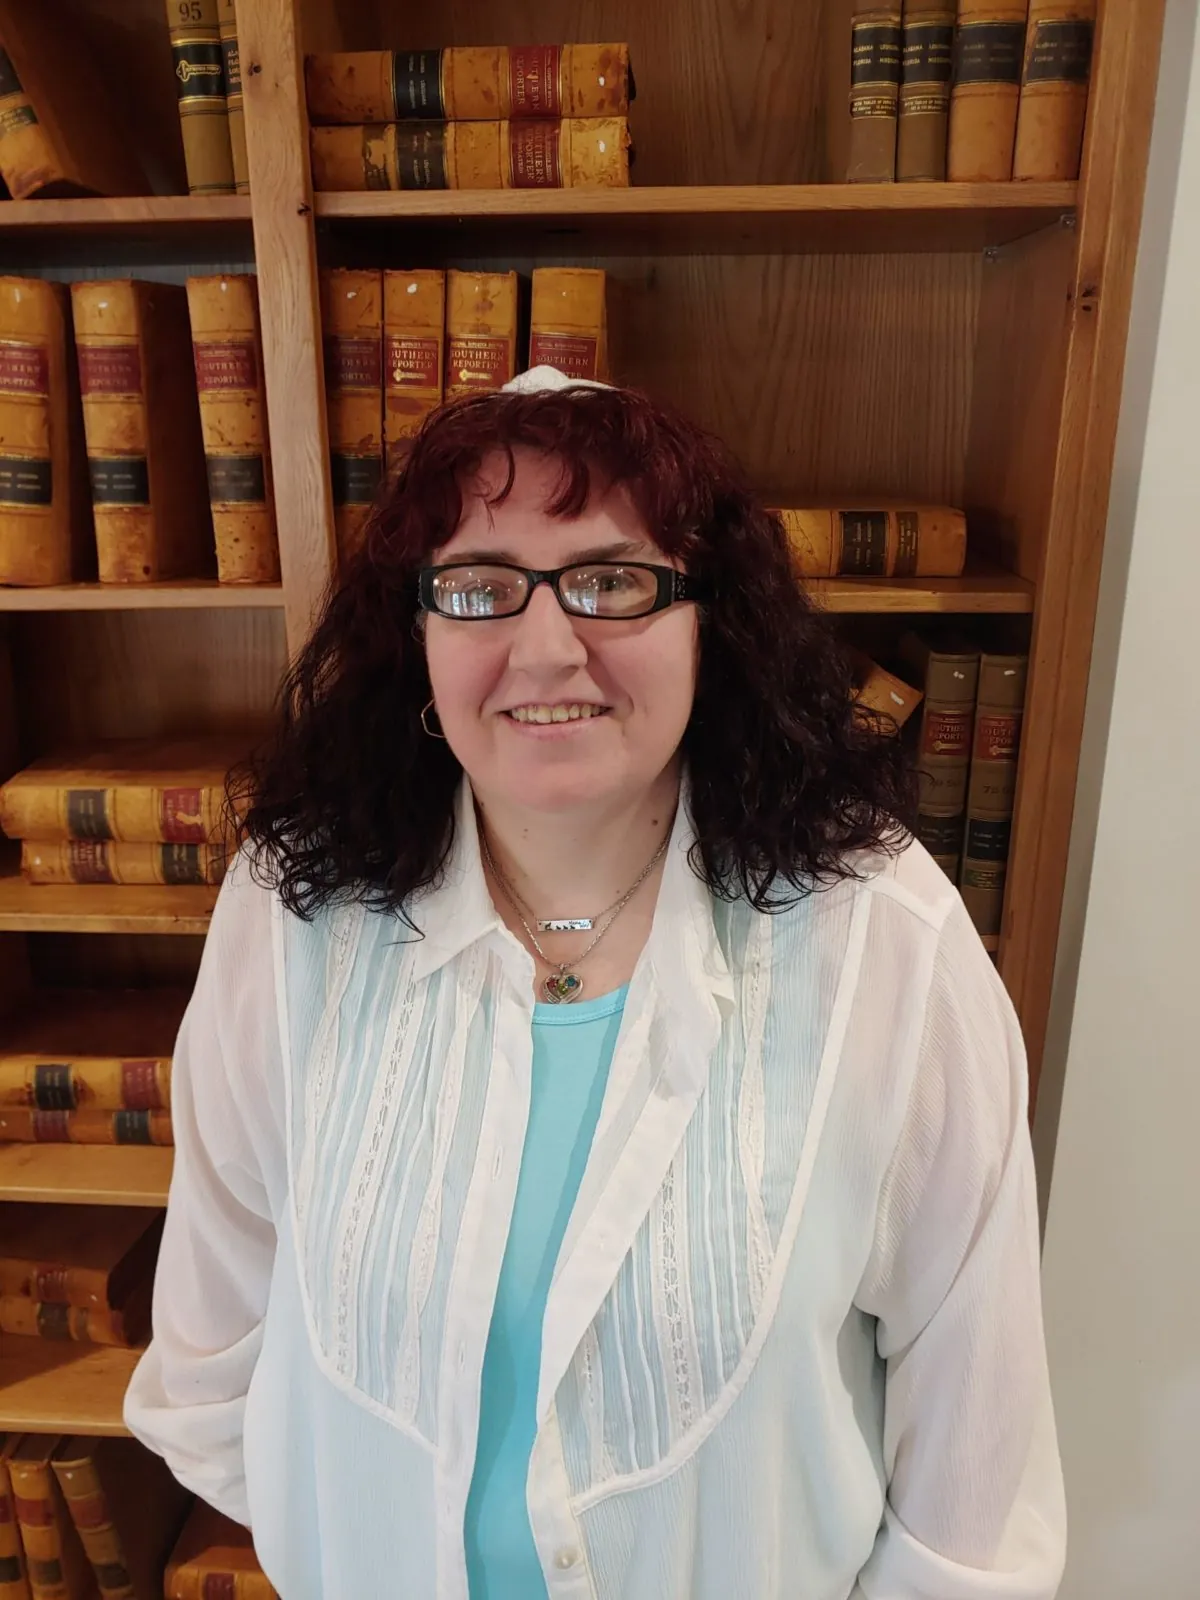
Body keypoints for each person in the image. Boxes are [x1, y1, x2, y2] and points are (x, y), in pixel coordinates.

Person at [125, 366, 1066, 1600]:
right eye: (479, 588)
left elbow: (974, 1510)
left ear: (707, 623)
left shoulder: (885, 943)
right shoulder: (292, 913)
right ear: (416, 635)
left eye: (614, 581)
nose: (547, 645)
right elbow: (214, 1366)